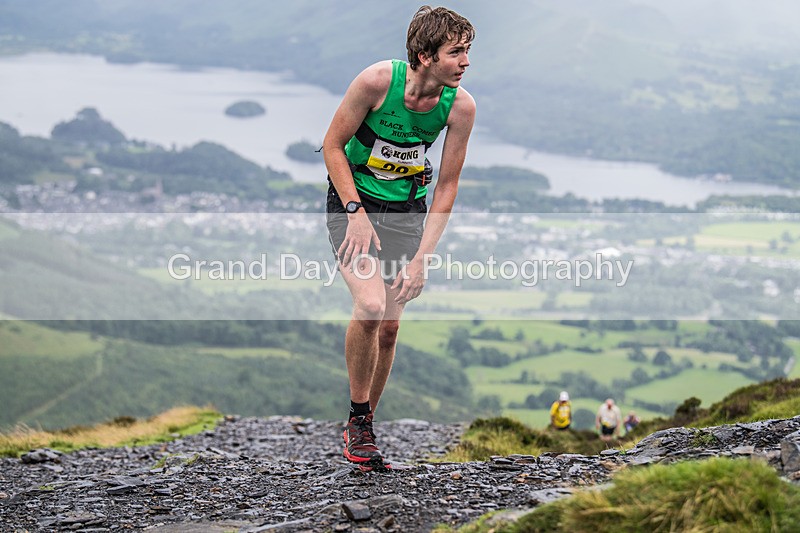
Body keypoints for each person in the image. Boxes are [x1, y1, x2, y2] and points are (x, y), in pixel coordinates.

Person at [323, 6, 476, 470]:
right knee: (370, 306)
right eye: (456, 52)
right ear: (425, 56)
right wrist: (355, 212)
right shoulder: (376, 83)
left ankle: (363, 427)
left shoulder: (460, 107)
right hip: (354, 205)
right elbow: (332, 146)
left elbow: (447, 186)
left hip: (407, 214)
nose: (466, 61)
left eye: (468, 51)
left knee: (389, 328)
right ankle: (358, 418)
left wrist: (422, 258)